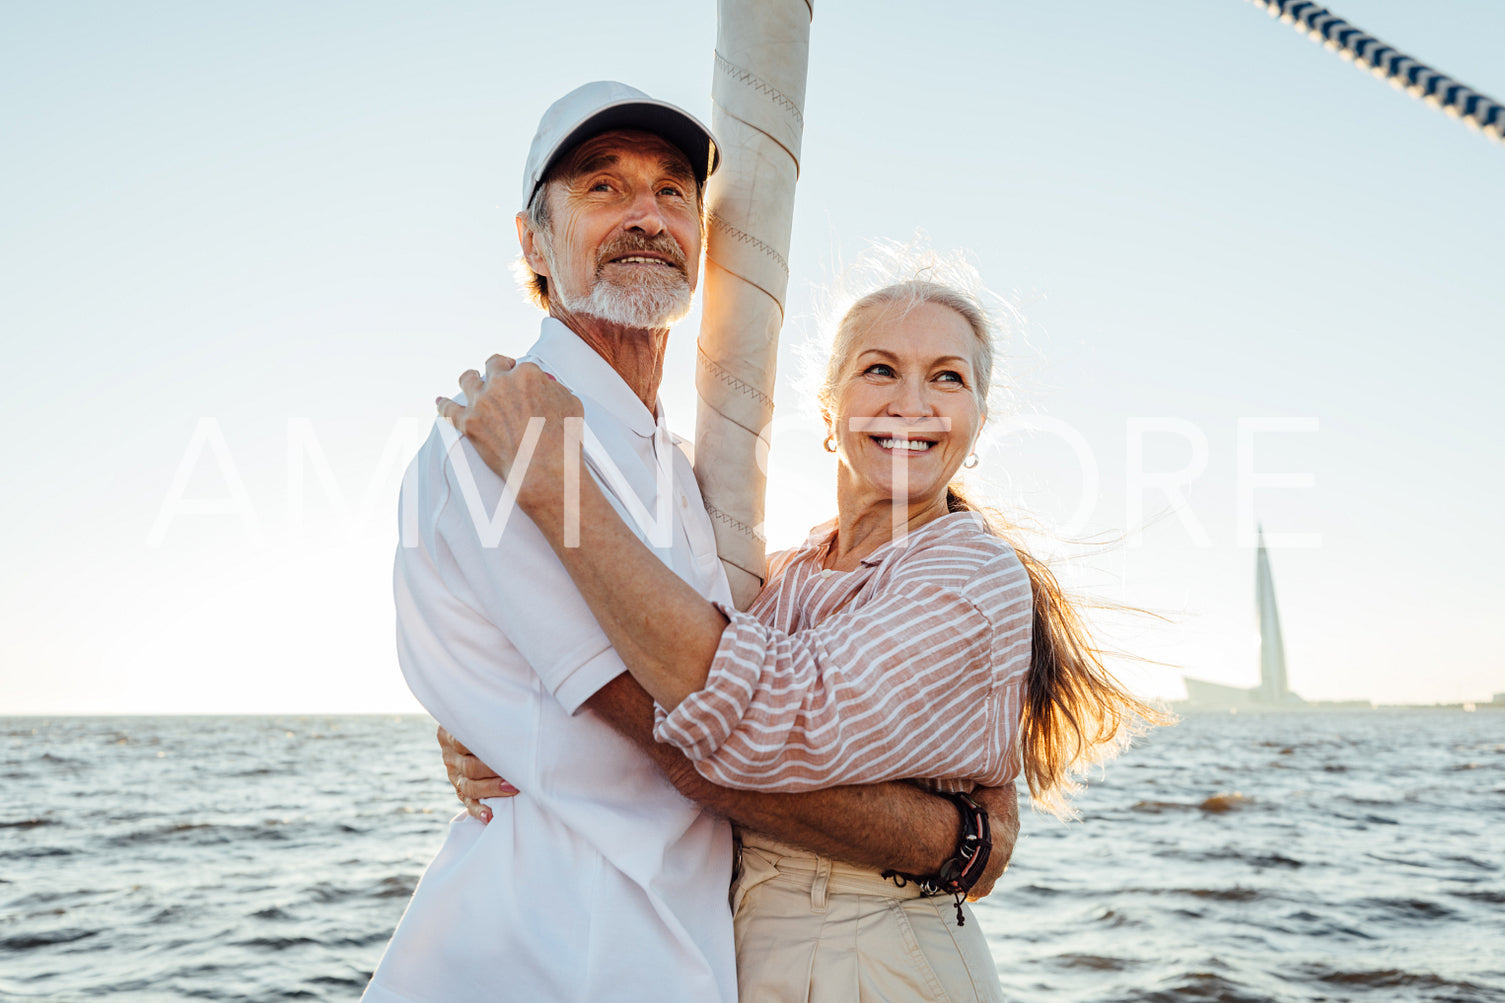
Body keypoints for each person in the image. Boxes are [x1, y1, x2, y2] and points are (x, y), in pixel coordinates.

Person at [363, 82, 1019, 1003]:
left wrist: (977, 810)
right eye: (603, 187)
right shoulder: (499, 436)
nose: (647, 214)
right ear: (532, 241)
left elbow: (749, 704)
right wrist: (958, 839)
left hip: (693, 949)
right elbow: (686, 738)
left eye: (674, 190)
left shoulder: (679, 469)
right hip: (547, 951)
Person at [439, 251, 1166, 1001]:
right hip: (747, 938)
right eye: (879, 369)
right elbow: (671, 665)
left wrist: (557, 484)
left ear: (977, 419)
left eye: (947, 377)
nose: (911, 401)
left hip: (871, 955)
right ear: (826, 408)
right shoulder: (783, 572)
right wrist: (505, 723)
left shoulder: (970, 576)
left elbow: (762, 718)